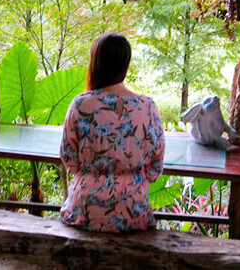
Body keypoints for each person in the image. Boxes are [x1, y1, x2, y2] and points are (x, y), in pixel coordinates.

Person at [59, 33, 165, 232]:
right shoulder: (148, 107)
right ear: (125, 65)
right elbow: (155, 165)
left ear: (96, 63)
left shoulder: (81, 104)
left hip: (85, 211)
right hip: (133, 211)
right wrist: (132, 178)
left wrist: (94, 176)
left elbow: (68, 156)